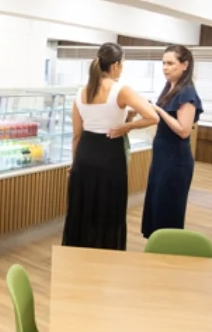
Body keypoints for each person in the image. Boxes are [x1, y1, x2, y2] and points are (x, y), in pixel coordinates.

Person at [62, 43, 158, 250]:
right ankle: (106, 255)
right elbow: (153, 116)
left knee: (83, 209)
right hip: (110, 153)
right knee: (108, 208)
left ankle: (78, 254)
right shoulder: (120, 90)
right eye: (122, 64)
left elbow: (76, 134)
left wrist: (74, 163)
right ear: (115, 65)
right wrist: (127, 126)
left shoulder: (81, 92)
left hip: (85, 154)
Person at [141, 45, 203, 239]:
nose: (165, 68)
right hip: (162, 157)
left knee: (167, 206)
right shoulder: (169, 87)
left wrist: (158, 111)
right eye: (163, 63)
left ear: (185, 65)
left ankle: (167, 249)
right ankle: (156, 245)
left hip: (175, 160)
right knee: (156, 203)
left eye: (170, 63)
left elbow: (184, 130)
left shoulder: (187, 93)